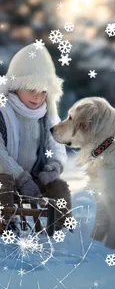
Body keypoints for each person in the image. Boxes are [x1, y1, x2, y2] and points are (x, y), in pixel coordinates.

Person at [0, 43, 71, 234]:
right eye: (31, 89)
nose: (38, 97)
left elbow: (56, 146)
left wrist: (53, 167)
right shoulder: (3, 112)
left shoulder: (47, 114)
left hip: (33, 177)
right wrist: (21, 178)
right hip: (7, 176)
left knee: (59, 187)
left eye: (43, 91)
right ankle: (7, 228)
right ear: (17, 86)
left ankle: (62, 230)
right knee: (3, 184)